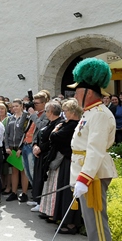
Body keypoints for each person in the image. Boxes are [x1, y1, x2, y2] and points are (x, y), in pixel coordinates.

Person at [68, 58, 117, 241]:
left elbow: (95, 150)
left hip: (94, 175)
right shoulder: (90, 112)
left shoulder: (97, 114)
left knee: (97, 223)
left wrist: (84, 178)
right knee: (91, 223)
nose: (74, 95)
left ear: (88, 91)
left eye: (77, 90)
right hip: (89, 174)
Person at [41, 99, 83, 233]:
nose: (64, 113)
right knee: (62, 191)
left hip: (68, 160)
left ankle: (71, 223)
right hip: (65, 160)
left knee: (67, 193)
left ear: (72, 111)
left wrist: (56, 130)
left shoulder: (72, 125)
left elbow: (54, 137)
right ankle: (62, 218)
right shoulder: (69, 124)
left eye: (65, 111)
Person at [31, 101, 62, 213]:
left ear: (51, 111)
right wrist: (35, 145)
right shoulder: (49, 122)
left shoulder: (59, 123)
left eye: (46, 110)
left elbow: (51, 140)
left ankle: (41, 202)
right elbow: (39, 134)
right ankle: (37, 199)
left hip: (47, 153)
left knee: (43, 179)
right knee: (37, 177)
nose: (45, 112)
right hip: (40, 153)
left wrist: (41, 148)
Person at [4, 99, 31, 202]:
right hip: (12, 148)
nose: (15, 108)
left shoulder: (25, 118)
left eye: (17, 106)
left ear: (21, 106)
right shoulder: (10, 118)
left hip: (22, 148)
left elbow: (25, 134)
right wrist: (7, 146)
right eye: (13, 106)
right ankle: (14, 192)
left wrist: (21, 148)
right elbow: (6, 134)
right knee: (14, 171)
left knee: (23, 171)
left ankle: (24, 193)